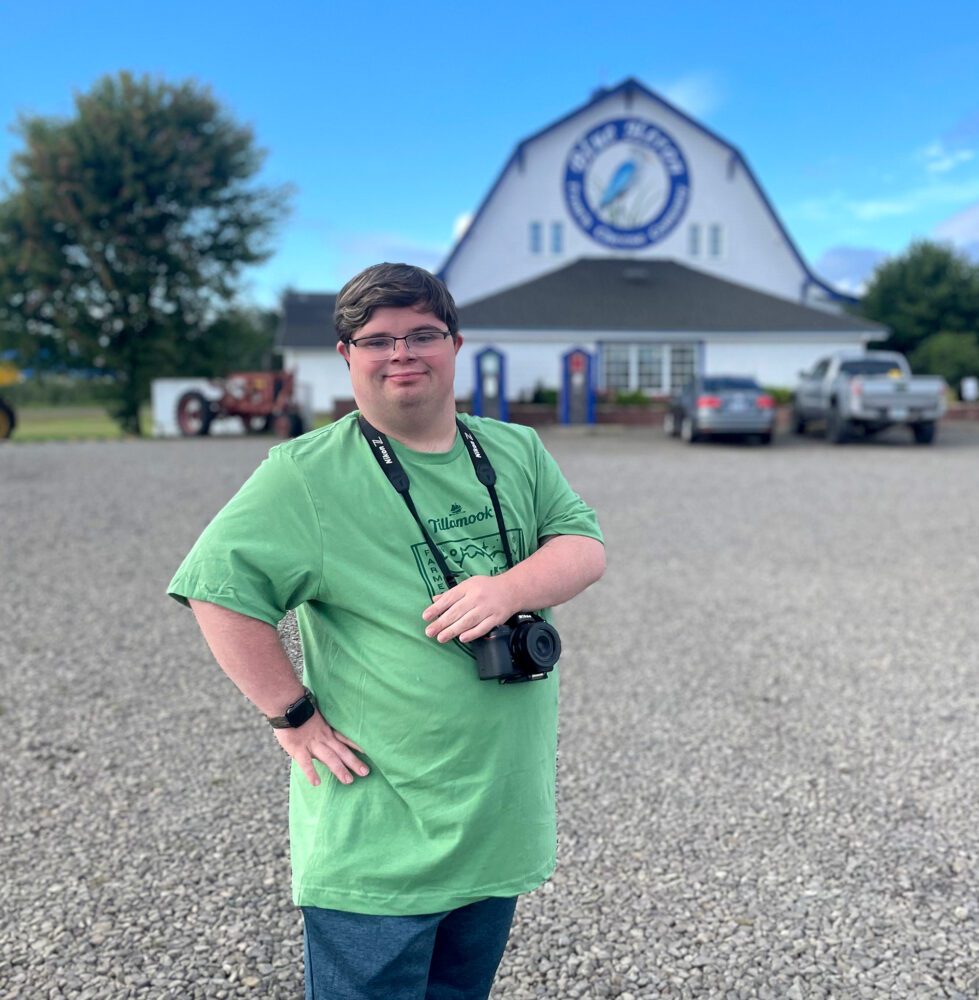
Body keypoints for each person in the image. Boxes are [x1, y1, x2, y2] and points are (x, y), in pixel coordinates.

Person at [168, 262, 605, 999]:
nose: (401, 353)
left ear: (455, 344)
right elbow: (218, 592)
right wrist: (293, 716)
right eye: (376, 340)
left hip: (494, 826)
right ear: (347, 357)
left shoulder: (514, 451)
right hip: (378, 842)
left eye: (421, 334)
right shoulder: (304, 475)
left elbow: (583, 547)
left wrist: (506, 590)